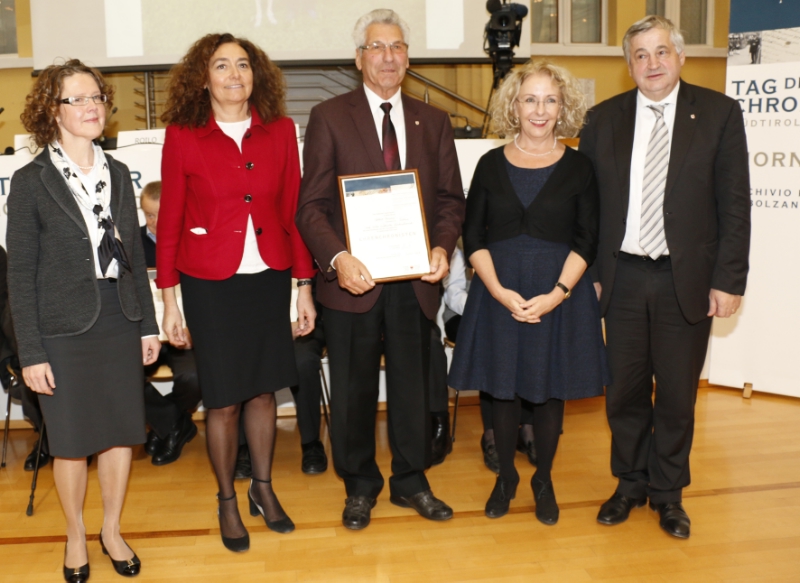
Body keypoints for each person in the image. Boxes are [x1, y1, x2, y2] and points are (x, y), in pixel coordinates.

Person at [579, 16, 750, 539]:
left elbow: (735, 204)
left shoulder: (719, 113)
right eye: (640, 55)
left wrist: (729, 280)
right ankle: (629, 483)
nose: (651, 63)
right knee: (624, 393)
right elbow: (587, 207)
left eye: (660, 52)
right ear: (628, 65)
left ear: (680, 56)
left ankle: (668, 494)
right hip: (622, 278)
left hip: (687, 279)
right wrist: (590, 274)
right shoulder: (602, 119)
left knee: (676, 395)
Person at [296, 9, 465, 530]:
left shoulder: (433, 120)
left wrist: (442, 248)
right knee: (353, 393)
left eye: (397, 47)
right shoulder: (329, 116)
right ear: (359, 58)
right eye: (377, 47)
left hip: (415, 283)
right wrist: (338, 259)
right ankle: (359, 487)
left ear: (407, 58)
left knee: (414, 390)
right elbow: (311, 207)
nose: (388, 57)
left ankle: (411, 481)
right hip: (353, 284)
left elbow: (449, 200)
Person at [157, 33, 316, 553]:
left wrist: (304, 287)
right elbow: (170, 218)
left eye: (242, 64)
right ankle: (227, 498)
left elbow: (294, 212)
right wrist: (169, 300)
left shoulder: (281, 131)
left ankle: (263, 489)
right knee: (223, 400)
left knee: (265, 391)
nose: (234, 74)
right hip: (208, 283)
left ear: (256, 74)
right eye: (221, 65)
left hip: (268, 277)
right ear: (203, 79)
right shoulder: (183, 135)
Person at [7, 60, 160, 581]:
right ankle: (75, 534)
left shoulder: (116, 171)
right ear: (53, 110)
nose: (93, 106)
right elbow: (20, 274)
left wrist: (146, 324)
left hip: (119, 318)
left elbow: (132, 254)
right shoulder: (31, 181)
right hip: (61, 330)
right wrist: (31, 352)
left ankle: (111, 530)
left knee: (119, 434)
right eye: (79, 99)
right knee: (71, 443)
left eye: (97, 96)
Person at [448, 59, 609, 525]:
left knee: (550, 390)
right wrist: (498, 291)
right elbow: (472, 236)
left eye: (550, 100)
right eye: (530, 99)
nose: (540, 110)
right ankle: (505, 479)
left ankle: (543, 479)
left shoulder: (580, 167)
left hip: (558, 294)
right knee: (501, 389)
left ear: (563, 108)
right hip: (498, 291)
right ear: (514, 107)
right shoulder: (489, 164)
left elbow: (587, 240)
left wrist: (558, 293)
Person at [138, 181, 202, 466]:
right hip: (144, 335)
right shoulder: (129, 244)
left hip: (184, 334)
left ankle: (164, 427)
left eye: (161, 214)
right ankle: (175, 425)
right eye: (149, 215)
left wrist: (194, 332)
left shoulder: (195, 240)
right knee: (121, 376)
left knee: (195, 377)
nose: (154, 222)